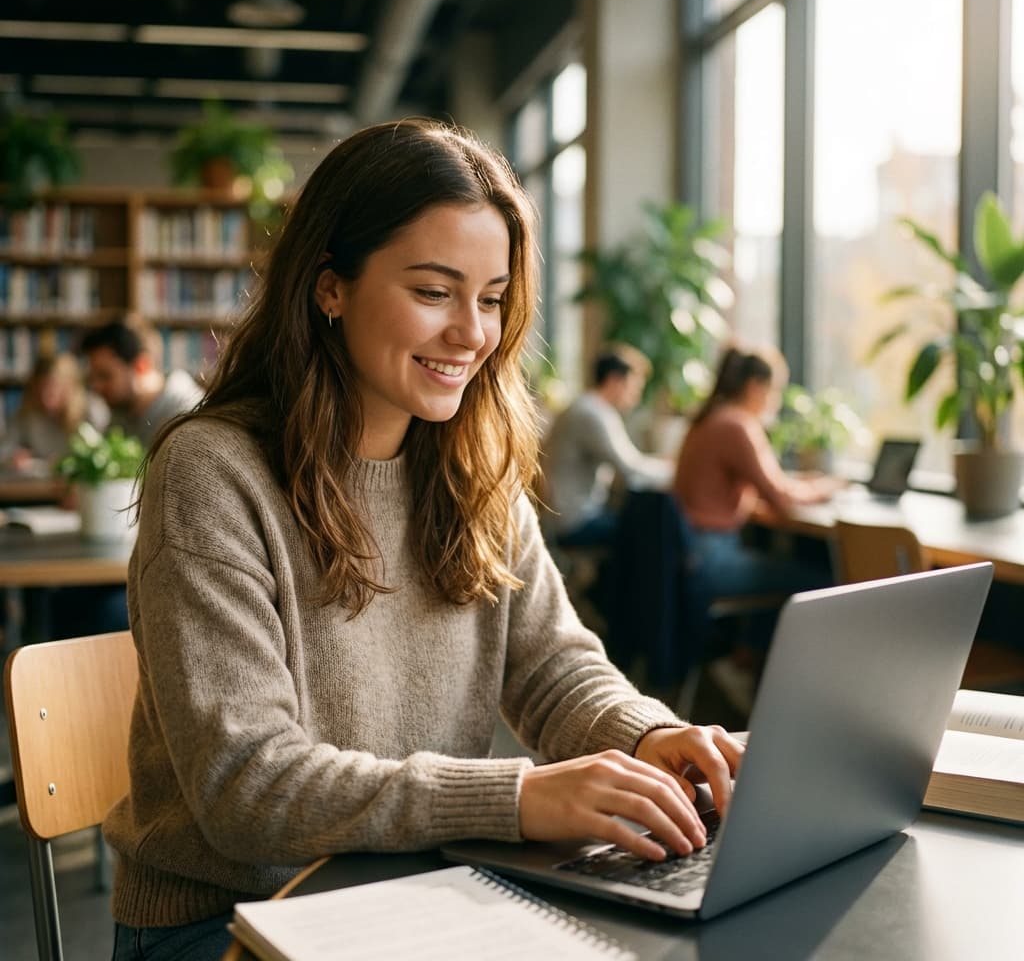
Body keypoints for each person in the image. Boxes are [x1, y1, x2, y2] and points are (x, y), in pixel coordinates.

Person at [103, 119, 744, 960]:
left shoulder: (468, 462)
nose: (473, 334)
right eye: (435, 292)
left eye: (491, 298)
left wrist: (645, 736)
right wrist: (518, 798)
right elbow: (246, 786)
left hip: (418, 892)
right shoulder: (212, 473)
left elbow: (551, 665)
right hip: (223, 923)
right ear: (330, 286)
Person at [672, 344, 841, 704]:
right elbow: (779, 495)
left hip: (692, 552)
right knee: (823, 583)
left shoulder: (707, 419)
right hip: (712, 558)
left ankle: (745, 658)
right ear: (754, 386)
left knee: (779, 571)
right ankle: (773, 682)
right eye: (775, 389)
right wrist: (829, 485)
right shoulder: (736, 424)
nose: (775, 400)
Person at [541, 343, 673, 548]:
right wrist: (677, 470)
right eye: (634, 387)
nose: (636, 396)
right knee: (653, 528)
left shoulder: (589, 407)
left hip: (567, 514)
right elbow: (630, 470)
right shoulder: (592, 414)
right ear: (613, 380)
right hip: (574, 521)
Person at [79, 315, 202, 448]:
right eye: (93, 377)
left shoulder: (187, 416)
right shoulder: (120, 415)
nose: (96, 386)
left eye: (105, 376)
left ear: (141, 366)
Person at [0, 351, 109, 471]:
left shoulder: (92, 411)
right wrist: (12, 458)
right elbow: (4, 451)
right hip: (38, 486)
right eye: (40, 389)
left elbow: (103, 456)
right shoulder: (27, 413)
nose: (45, 398)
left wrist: (67, 462)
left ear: (70, 387)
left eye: (53, 389)